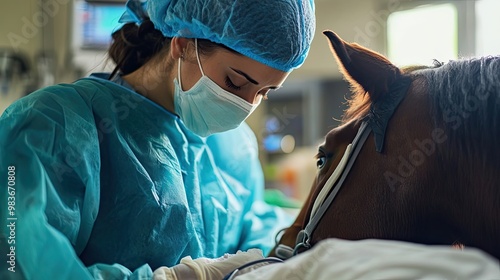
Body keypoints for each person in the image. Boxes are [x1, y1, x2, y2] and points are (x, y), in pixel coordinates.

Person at [0, 0, 315, 279]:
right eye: (234, 82)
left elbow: (255, 230)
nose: (246, 106)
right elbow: (19, 263)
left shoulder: (234, 146)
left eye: (263, 92)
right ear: (183, 44)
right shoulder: (52, 125)